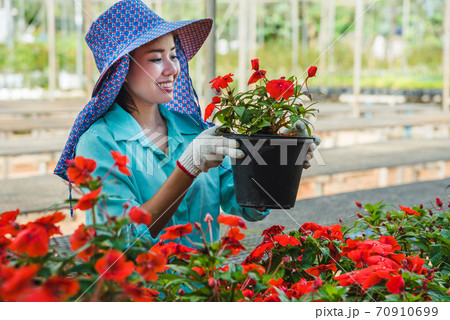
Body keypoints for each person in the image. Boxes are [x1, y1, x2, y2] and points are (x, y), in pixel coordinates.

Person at [54, 0, 318, 249]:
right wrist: (187, 168)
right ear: (121, 71)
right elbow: (121, 241)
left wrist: (283, 154)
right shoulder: (99, 143)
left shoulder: (195, 130)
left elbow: (245, 202)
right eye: (156, 59)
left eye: (173, 55)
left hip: (206, 289)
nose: (173, 69)